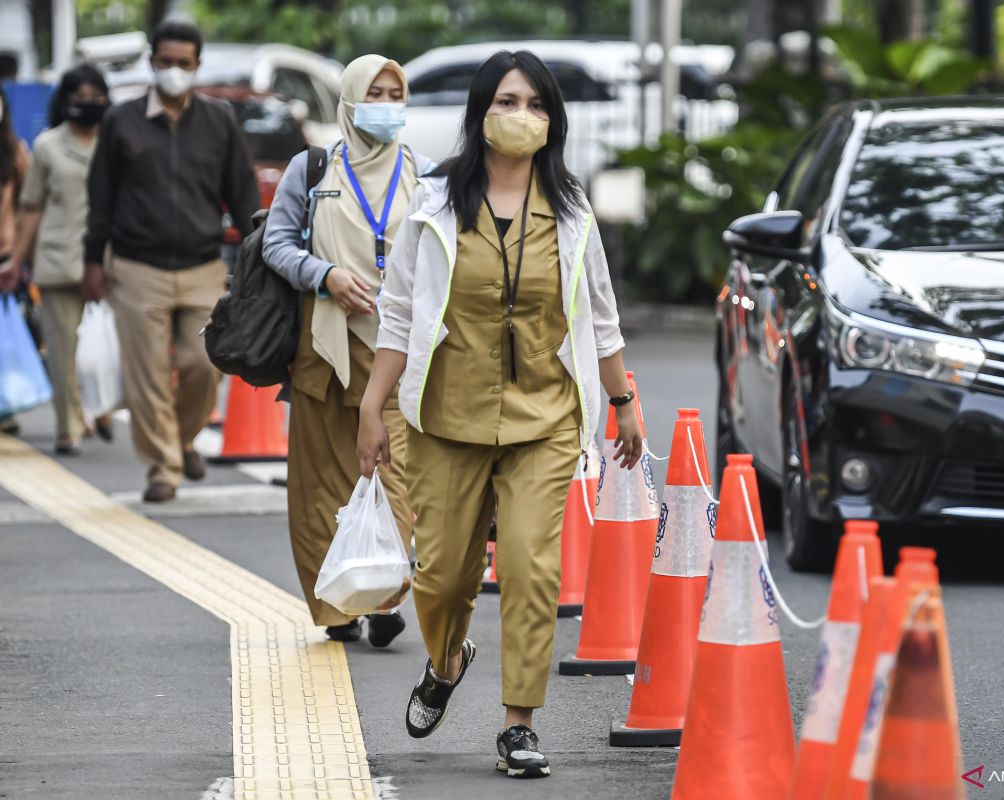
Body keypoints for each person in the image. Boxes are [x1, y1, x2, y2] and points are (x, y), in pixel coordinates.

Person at [357, 50, 642, 778]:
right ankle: (447, 661)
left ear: (555, 120)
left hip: (544, 420)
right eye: (508, 102)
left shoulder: (573, 212)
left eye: (538, 105)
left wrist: (623, 403)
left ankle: (519, 722)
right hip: (445, 419)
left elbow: (600, 320)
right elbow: (396, 314)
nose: (523, 117)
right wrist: (370, 405)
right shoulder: (434, 202)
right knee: (445, 577)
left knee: (529, 565)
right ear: (480, 112)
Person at [263, 55, 435, 646]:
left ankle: (385, 593)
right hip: (325, 349)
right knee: (320, 484)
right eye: (374, 94)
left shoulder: (426, 175)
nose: (386, 106)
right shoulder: (312, 169)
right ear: (349, 101)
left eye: (396, 94)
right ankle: (338, 606)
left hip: (400, 357)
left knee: (394, 476)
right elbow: (275, 244)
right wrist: (325, 274)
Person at [83, 20, 259, 502]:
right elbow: (100, 196)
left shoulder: (219, 120)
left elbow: (241, 192)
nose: (174, 71)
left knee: (204, 363)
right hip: (136, 266)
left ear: (197, 65)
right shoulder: (122, 120)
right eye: (165, 62)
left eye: (184, 63)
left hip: (202, 265)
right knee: (148, 376)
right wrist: (93, 262)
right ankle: (164, 466)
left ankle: (180, 439)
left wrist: (259, 252)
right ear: (151, 62)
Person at [5, 65, 114, 455]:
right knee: (63, 348)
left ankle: (103, 407)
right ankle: (69, 426)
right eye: (78, 97)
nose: (87, 105)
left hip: (113, 263)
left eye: (95, 97)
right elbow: (31, 207)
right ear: (64, 102)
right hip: (59, 261)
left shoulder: (117, 142)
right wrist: (16, 260)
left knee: (113, 347)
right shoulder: (48, 145)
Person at [0, 83, 31, 436]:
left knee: (5, 336)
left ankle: (4, 406)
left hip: (5, 255)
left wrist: (23, 254)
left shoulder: (15, 152)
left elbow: (31, 204)